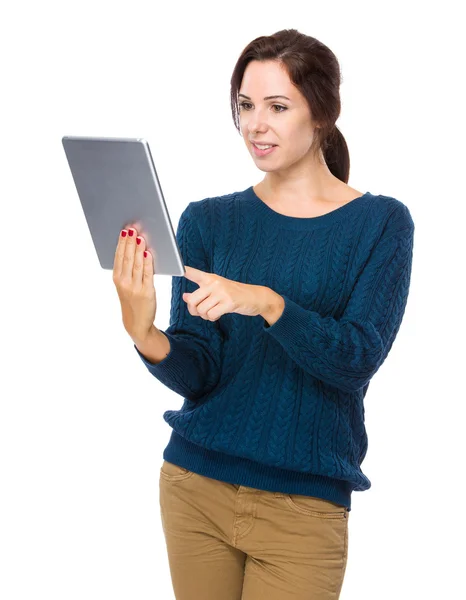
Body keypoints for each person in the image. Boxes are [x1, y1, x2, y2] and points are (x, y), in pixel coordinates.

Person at [113, 28, 415, 600]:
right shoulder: (207, 221)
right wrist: (144, 332)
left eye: (278, 107)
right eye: (246, 106)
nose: (256, 124)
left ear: (323, 113)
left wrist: (269, 304)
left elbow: (356, 358)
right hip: (194, 485)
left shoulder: (380, 225)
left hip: (303, 508)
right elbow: (199, 371)